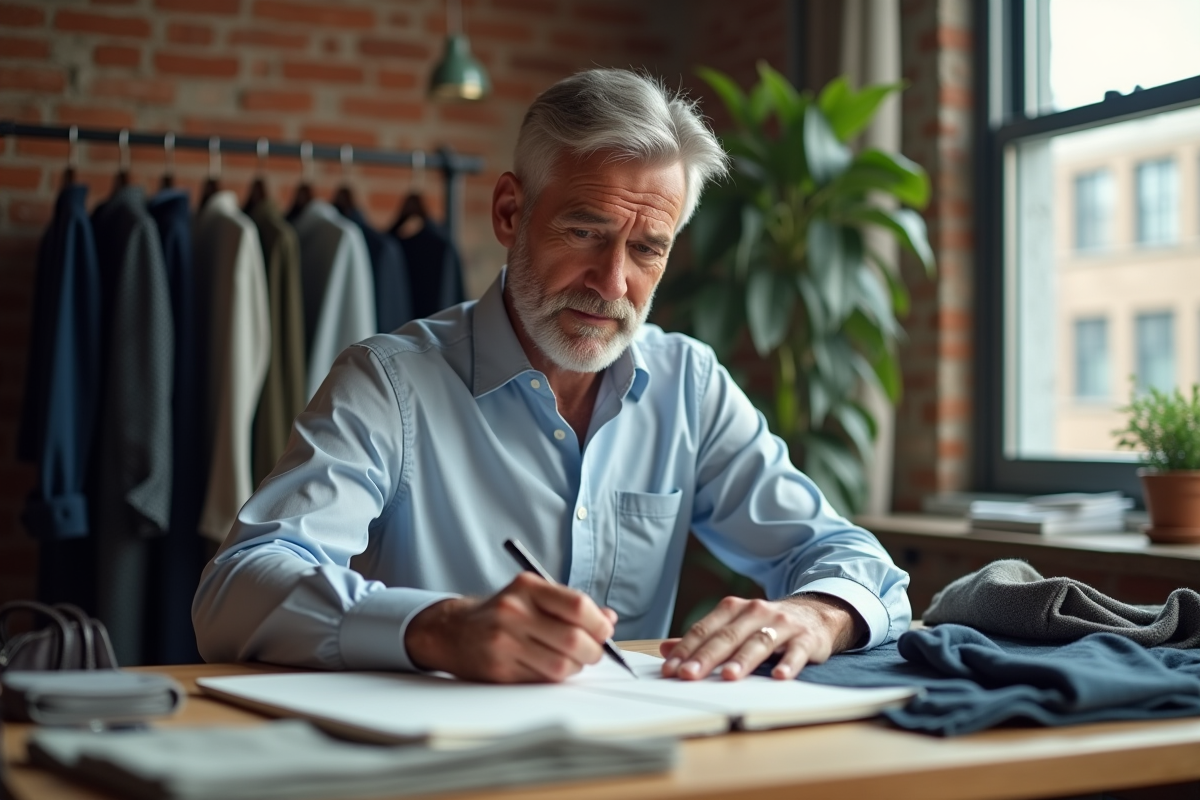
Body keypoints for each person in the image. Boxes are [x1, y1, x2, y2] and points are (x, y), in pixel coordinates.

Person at [192, 68, 911, 684]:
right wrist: (437, 627)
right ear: (511, 211)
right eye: (586, 231)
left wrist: (818, 614)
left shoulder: (689, 383)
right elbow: (235, 589)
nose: (613, 283)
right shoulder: (388, 384)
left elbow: (855, 563)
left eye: (648, 249)